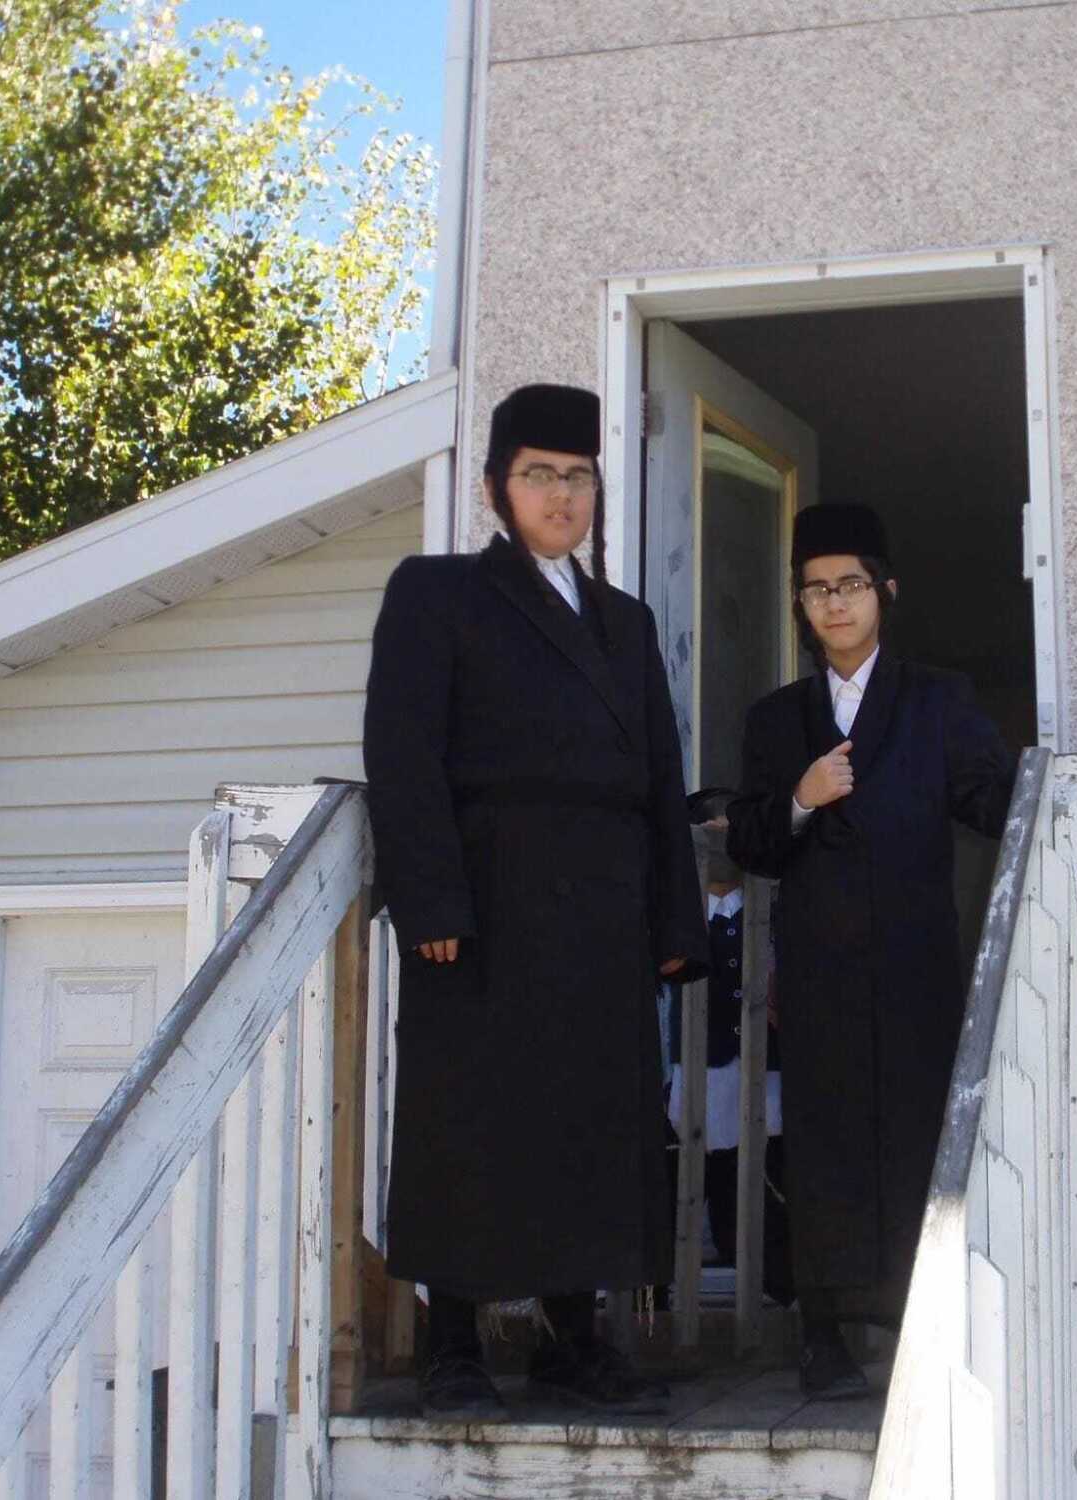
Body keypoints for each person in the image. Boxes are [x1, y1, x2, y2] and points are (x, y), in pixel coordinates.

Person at [361, 383, 708, 1417]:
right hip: (484, 902)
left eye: (577, 476)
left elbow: (659, 773)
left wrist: (673, 920)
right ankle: (452, 1341)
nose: (561, 495)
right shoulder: (435, 594)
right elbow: (402, 751)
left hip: (601, 909)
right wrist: (429, 901)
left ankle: (573, 1338)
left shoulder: (624, 620)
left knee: (593, 1119)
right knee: (465, 1118)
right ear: (494, 490)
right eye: (538, 476)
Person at [727, 503, 1017, 1399]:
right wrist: (802, 799)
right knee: (824, 1141)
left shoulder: (939, 699)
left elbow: (994, 801)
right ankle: (823, 1331)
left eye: (850, 584)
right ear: (800, 605)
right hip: (818, 968)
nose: (834, 603)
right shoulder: (779, 718)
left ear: (885, 592)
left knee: (921, 1138)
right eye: (815, 589)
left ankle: (920, 1323)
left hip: (918, 958)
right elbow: (749, 841)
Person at [664, 788, 794, 1305]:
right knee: (709, 1166)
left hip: (766, 1066)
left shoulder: (771, 908)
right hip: (703, 1067)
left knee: (769, 1166)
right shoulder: (680, 915)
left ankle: (777, 1282)